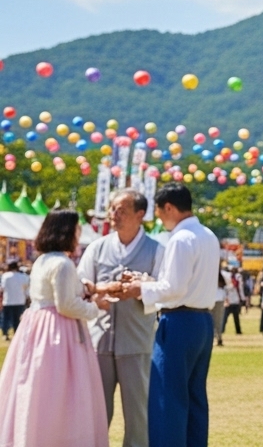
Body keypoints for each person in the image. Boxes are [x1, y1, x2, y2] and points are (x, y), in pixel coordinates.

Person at [107, 182, 222, 447]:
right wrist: (147, 282)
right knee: (194, 398)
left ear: (169, 207)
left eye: (159, 212)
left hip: (178, 321)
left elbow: (173, 288)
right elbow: (182, 284)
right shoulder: (208, 235)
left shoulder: (180, 239)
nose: (158, 218)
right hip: (202, 321)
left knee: (166, 399)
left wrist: (139, 287)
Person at [0, 211, 110, 446]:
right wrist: (96, 307)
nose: (79, 235)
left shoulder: (42, 260)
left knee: (35, 385)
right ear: (68, 232)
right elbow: (66, 305)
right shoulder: (62, 263)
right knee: (62, 386)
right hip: (59, 331)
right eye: (77, 230)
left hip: (36, 328)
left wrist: (83, 289)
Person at [78, 189, 163, 447]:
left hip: (137, 343)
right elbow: (82, 287)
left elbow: (163, 293)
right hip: (99, 341)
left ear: (141, 215)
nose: (114, 215)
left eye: (121, 210)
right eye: (112, 209)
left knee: (138, 413)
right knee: (96, 412)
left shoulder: (157, 250)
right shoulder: (97, 247)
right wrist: (99, 293)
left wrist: (140, 290)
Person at [1, 260, 28, 340]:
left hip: (8, 300)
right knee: (17, 319)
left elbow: (3, 288)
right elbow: (26, 288)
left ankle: (5, 334)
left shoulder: (5, 276)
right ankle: (17, 333)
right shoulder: (23, 276)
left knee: (6, 318)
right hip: (20, 300)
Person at [222, 269, 243, 335]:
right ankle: (222, 330)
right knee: (224, 318)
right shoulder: (227, 286)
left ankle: (238, 331)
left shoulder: (236, 283)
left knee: (236, 318)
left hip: (235, 302)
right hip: (229, 302)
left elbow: (240, 290)